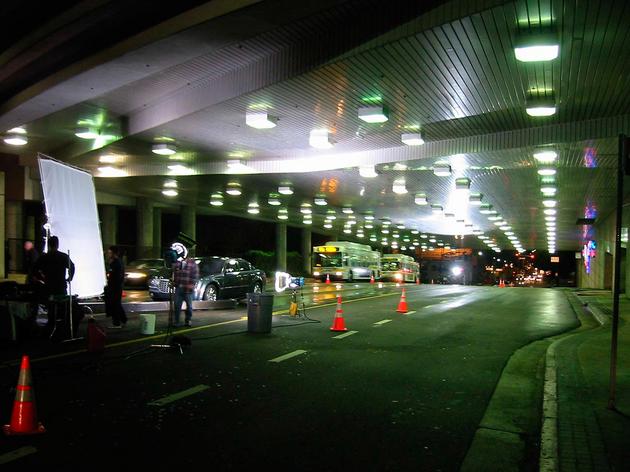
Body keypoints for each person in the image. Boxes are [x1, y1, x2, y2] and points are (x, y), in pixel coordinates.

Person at [32, 236, 75, 334]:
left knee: (51, 307)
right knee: (62, 307)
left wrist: (41, 278)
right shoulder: (63, 256)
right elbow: (72, 266)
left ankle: (51, 326)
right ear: (57, 244)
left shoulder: (44, 257)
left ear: (49, 245)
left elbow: (34, 269)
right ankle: (62, 327)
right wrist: (69, 278)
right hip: (61, 286)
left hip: (49, 286)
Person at [172, 255, 199, 327]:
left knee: (189, 306)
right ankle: (177, 322)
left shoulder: (192, 263)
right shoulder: (177, 263)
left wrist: (192, 284)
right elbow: (174, 274)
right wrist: (174, 282)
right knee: (177, 306)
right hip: (179, 288)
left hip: (188, 289)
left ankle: (188, 320)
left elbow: (195, 275)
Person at [104, 246, 127, 328]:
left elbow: (117, 277)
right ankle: (123, 320)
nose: (108, 254)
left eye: (110, 252)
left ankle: (117, 323)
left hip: (115, 287)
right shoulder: (116, 262)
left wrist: (111, 286)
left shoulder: (117, 263)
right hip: (116, 287)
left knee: (115, 305)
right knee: (116, 304)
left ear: (114, 253)